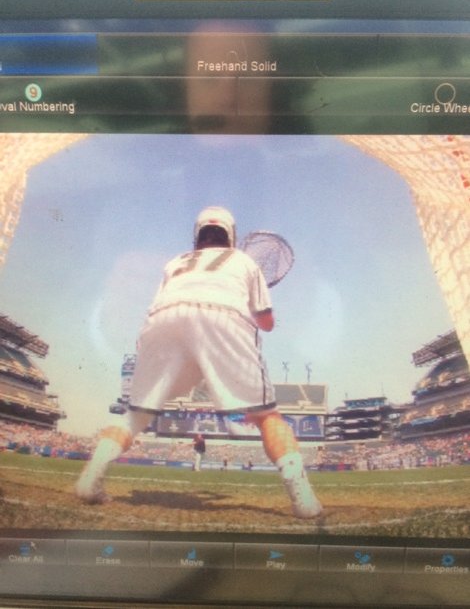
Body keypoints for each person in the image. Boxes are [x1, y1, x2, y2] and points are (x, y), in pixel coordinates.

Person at [76, 206, 322, 518]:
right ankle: (303, 500)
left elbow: (158, 306)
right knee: (268, 416)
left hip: (162, 321)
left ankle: (90, 480)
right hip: (221, 319)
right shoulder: (245, 261)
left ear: (198, 235)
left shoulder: (176, 262)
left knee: (135, 415)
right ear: (230, 235)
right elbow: (266, 322)